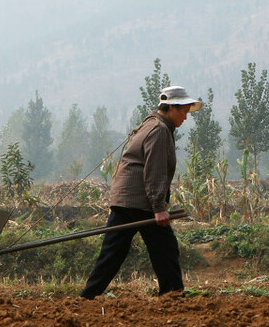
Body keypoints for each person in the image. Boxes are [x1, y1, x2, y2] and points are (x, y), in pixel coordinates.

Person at [81, 85, 203, 299]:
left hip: (128, 198)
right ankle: (172, 292)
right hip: (138, 200)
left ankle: (89, 295)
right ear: (171, 107)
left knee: (115, 252)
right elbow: (154, 170)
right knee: (164, 247)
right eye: (184, 109)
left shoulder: (151, 124)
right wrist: (159, 208)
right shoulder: (159, 130)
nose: (186, 116)